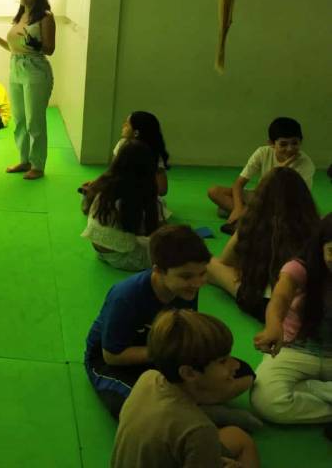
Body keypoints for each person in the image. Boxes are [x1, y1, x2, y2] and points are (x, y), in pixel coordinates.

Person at [85, 224, 254, 418]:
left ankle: (185, 407)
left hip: (165, 356)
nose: (198, 283)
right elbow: (112, 356)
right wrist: (169, 354)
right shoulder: (126, 296)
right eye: (186, 276)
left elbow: (187, 334)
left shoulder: (185, 289)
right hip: (117, 364)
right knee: (135, 406)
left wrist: (204, 359)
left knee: (244, 374)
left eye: (202, 273)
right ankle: (193, 408)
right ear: (158, 270)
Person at [111, 309, 260, 468]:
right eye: (223, 361)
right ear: (188, 373)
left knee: (237, 436)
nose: (236, 365)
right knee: (244, 443)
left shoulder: (148, 378)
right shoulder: (199, 430)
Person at [251, 213, 332, 431]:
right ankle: (322, 392)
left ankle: (313, 390)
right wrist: (273, 326)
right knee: (267, 401)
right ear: (320, 247)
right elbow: (280, 297)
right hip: (297, 348)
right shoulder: (299, 267)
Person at [207, 166, 320, 321]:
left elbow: (225, 261)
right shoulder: (314, 225)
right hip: (306, 305)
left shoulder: (254, 224)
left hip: (266, 303)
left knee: (210, 264)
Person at [0, 0, 55, 179]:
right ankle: (24, 160)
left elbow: (50, 49)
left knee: (34, 121)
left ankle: (38, 165)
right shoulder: (20, 16)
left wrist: (35, 43)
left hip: (36, 69)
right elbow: (13, 47)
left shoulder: (45, 16)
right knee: (19, 119)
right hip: (16, 68)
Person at [208, 116, 315, 233]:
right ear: (271, 143)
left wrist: (280, 169)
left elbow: (299, 200)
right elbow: (239, 184)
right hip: (260, 196)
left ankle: (250, 219)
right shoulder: (262, 152)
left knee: (223, 210)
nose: (290, 149)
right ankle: (250, 217)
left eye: (294, 143)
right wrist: (238, 208)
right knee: (214, 191)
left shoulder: (306, 164)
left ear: (301, 141)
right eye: (283, 144)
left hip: (285, 204)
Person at [81, 141, 164, 271]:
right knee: (172, 251)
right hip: (124, 257)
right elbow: (150, 231)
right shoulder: (135, 196)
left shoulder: (103, 184)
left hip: (100, 251)